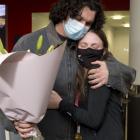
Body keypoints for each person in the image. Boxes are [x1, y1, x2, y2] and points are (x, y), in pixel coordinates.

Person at [2, 0, 135, 140]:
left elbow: (129, 74)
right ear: (64, 12)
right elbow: (7, 89)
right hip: (41, 134)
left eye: (88, 23)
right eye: (78, 19)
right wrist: (15, 122)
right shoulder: (30, 42)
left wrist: (110, 70)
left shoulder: (86, 46)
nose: (82, 26)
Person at [49, 30, 124, 140]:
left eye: (94, 46)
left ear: (104, 50)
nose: (88, 50)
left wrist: (60, 103)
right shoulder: (82, 73)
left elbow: (92, 120)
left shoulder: (99, 72)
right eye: (84, 45)